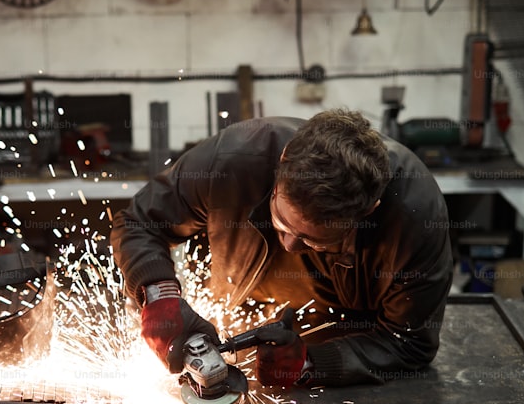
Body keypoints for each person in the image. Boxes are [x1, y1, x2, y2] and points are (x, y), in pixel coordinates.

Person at [111, 108, 453, 388]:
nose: (289, 244)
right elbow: (141, 222)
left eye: (312, 240)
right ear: (283, 161)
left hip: (331, 346)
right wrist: (160, 295)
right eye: (281, 222)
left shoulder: (415, 218)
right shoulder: (234, 160)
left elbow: (408, 342)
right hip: (229, 313)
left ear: (367, 212)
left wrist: (312, 364)